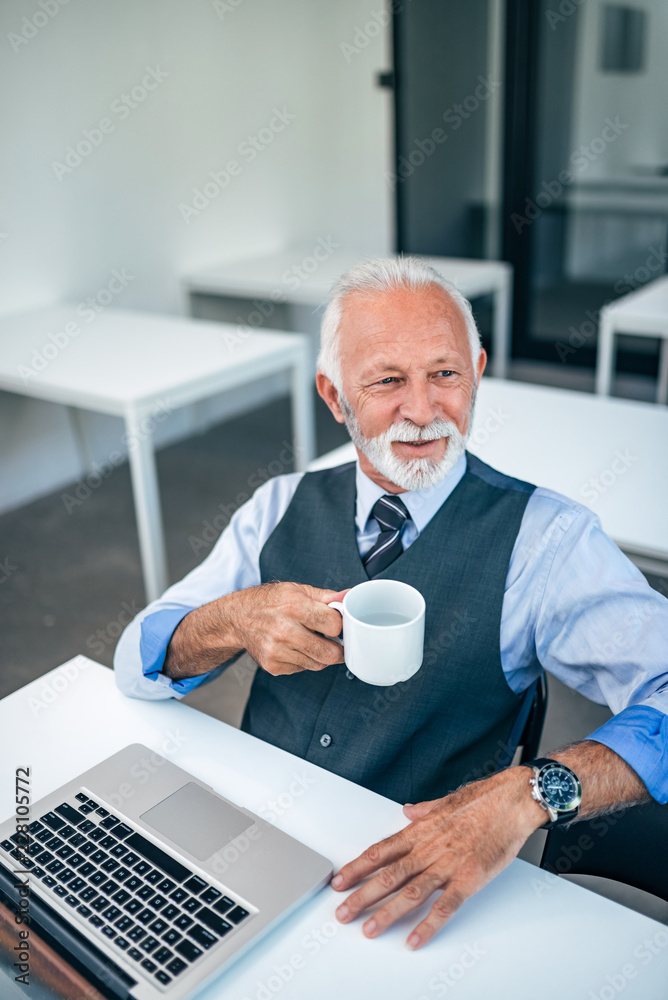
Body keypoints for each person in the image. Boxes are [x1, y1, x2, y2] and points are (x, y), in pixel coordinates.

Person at [114, 257, 668, 951]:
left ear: (478, 369)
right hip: (245, 845)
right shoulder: (278, 506)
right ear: (333, 395)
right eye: (386, 381)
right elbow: (137, 661)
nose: (423, 410)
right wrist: (230, 619)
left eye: (445, 373)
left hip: (411, 886)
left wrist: (535, 791)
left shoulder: (548, 541)